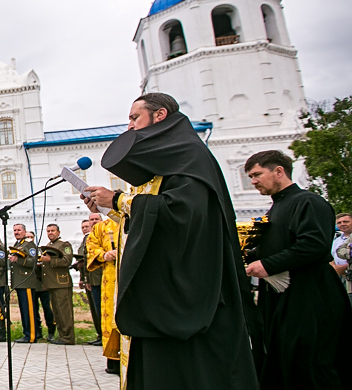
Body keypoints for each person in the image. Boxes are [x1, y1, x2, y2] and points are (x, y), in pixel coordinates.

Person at [83, 92, 257, 389]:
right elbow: (151, 222)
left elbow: (182, 216)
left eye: (134, 118)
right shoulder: (165, 161)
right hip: (159, 297)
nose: (129, 127)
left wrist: (119, 199)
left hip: (186, 296)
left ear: (160, 115)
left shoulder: (188, 154)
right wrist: (111, 208)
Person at [243, 150, 352, 389]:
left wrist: (267, 265)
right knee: (288, 362)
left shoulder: (309, 202)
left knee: (313, 363)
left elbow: (314, 244)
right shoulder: (274, 209)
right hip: (284, 296)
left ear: (279, 171)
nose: (253, 181)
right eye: (250, 176)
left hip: (312, 294)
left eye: (257, 174)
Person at [86, 213, 121, 374]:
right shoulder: (103, 226)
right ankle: (114, 359)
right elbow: (91, 245)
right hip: (111, 275)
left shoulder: (136, 219)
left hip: (133, 272)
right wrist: (104, 255)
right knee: (111, 317)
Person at [39, 223, 75, 345]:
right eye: (48, 231)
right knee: (57, 312)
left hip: (61, 283)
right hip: (52, 283)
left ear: (58, 232)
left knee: (64, 312)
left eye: (53, 231)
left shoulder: (64, 244)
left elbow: (67, 260)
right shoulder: (49, 245)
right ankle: (61, 336)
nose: (50, 233)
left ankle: (68, 337)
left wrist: (51, 260)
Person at [7, 224, 41, 344]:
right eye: (15, 230)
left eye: (19, 230)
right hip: (20, 282)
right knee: (23, 309)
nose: (16, 232)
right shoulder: (18, 244)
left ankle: (31, 335)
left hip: (26, 281)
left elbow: (33, 261)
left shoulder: (28, 244)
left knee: (29, 310)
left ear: (24, 231)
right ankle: (26, 333)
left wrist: (18, 260)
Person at [77, 214, 103, 346]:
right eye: (91, 220)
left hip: (102, 277)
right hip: (91, 278)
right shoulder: (88, 239)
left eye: (95, 219)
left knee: (103, 309)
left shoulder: (103, 234)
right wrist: (84, 278)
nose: (93, 222)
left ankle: (105, 336)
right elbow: (85, 259)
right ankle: (100, 334)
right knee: (95, 309)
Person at [332, 213, 351, 305]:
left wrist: (345, 267)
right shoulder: (337, 240)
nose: (342, 224)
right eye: (339, 222)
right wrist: (335, 267)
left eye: (346, 221)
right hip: (339, 276)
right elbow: (330, 256)